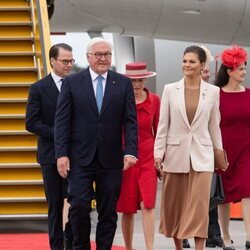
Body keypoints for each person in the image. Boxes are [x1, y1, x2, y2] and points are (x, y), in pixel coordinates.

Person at [54, 37, 138, 250]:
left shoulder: (123, 83)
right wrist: (61, 154)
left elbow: (130, 121)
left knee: (108, 211)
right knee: (79, 206)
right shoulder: (72, 82)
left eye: (107, 54)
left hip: (111, 159)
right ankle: (80, 246)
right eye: (99, 54)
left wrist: (130, 151)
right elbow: (62, 120)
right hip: (80, 158)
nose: (103, 58)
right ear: (88, 57)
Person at [154, 45, 225, 250]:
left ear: (202, 65)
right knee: (175, 207)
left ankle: (199, 248)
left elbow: (214, 126)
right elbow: (163, 125)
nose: (186, 65)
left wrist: (219, 155)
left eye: (191, 61)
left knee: (199, 207)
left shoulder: (213, 92)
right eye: (184, 60)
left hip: (202, 158)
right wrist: (158, 154)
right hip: (175, 156)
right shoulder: (170, 89)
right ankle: (178, 247)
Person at [26, 43, 74, 250]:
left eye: (71, 61)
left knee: (76, 203)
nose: (69, 65)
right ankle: (57, 247)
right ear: (53, 61)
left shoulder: (78, 84)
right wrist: (59, 133)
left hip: (76, 154)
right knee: (55, 205)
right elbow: (31, 122)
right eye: (65, 61)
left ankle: (73, 244)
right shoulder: (38, 88)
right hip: (50, 155)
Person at [117, 62, 160, 250]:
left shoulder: (155, 100)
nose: (136, 84)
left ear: (146, 79)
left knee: (148, 204)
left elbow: (160, 130)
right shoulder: (118, 99)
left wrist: (161, 158)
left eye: (140, 80)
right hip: (126, 158)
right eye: (132, 81)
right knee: (127, 207)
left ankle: (150, 247)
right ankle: (129, 247)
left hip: (148, 156)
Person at [215, 46, 250, 250]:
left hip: (247, 149)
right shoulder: (216, 95)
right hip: (224, 150)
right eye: (240, 69)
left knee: (248, 189)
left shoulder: (249, 94)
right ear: (229, 71)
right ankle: (226, 238)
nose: (244, 72)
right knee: (224, 197)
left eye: (245, 68)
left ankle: (249, 237)